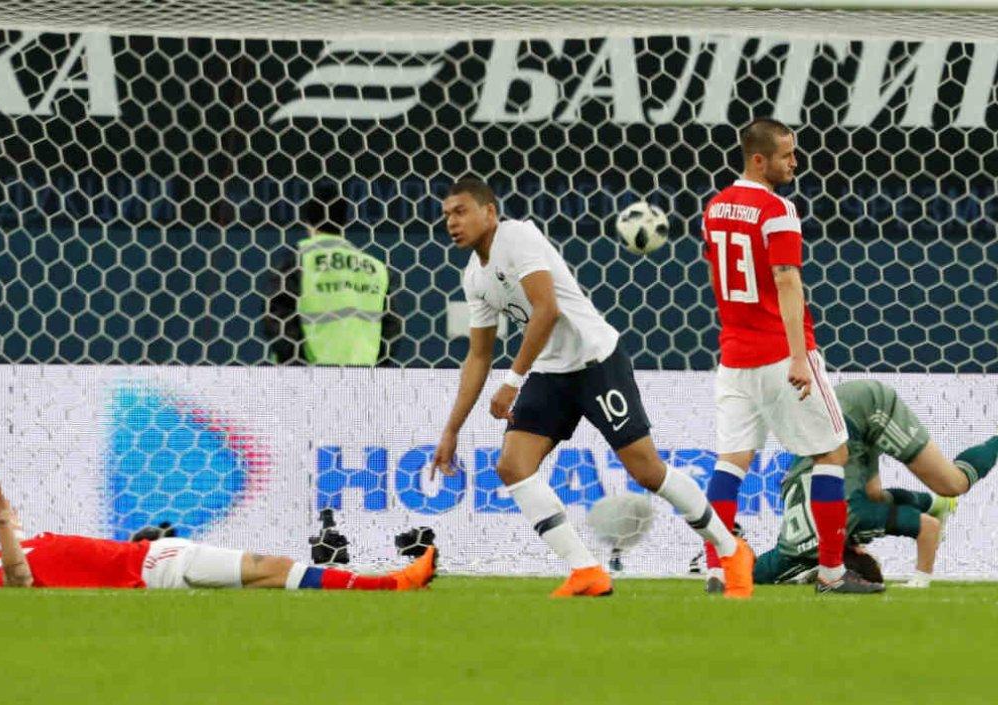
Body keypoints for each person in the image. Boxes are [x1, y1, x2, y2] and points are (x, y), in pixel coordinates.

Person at [429, 177, 753, 598]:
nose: (452, 223)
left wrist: (512, 382)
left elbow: (547, 309)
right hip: (551, 373)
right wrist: (452, 429)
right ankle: (587, 571)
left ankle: (731, 551)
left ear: (489, 212)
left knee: (646, 469)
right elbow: (477, 356)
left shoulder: (518, 235)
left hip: (595, 360)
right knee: (512, 465)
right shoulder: (475, 277)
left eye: (461, 211)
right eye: (446, 215)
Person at [698, 117, 881, 595]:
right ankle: (831, 572)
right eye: (786, 155)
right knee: (831, 452)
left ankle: (718, 568)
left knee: (730, 462)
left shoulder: (715, 209)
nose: (794, 163)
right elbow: (785, 280)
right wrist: (800, 358)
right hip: (780, 354)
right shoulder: (777, 210)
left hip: (733, 357)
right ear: (759, 159)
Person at [0, 470, 437, 591]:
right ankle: (392, 584)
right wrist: (1, 516)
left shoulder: (6, 549)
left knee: (270, 579)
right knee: (273, 567)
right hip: (154, 568)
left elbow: (25, 543)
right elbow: (25, 580)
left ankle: (385, 583)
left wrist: (5, 515)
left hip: (148, 556)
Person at [754, 379, 998, 588]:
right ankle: (935, 502)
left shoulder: (857, 520)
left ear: (857, 551)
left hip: (866, 409)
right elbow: (756, 572)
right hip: (832, 421)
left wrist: (920, 580)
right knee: (873, 494)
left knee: (952, 483)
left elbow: (928, 528)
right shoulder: (791, 550)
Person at [262, 183, 402, 366]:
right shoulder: (377, 268)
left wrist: (296, 369)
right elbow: (392, 328)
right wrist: (375, 369)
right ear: (344, 221)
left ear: (307, 221)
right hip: (363, 379)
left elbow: (277, 321)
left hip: (309, 379)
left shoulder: (298, 261)